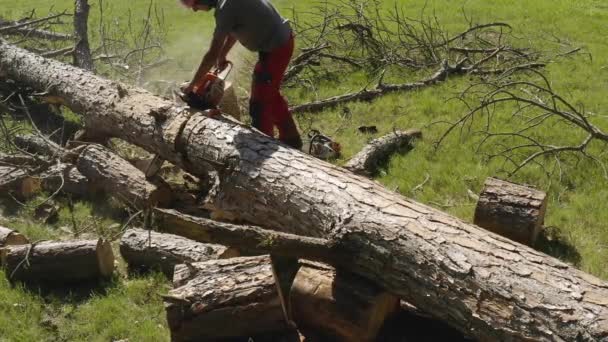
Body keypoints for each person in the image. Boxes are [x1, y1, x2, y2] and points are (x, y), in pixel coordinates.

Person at [180, 0, 303, 149]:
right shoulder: (227, 4)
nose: (194, 10)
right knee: (270, 94)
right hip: (279, 41)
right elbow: (234, 31)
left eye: (194, 5)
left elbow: (211, 54)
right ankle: (292, 140)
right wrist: (223, 54)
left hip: (276, 46)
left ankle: (263, 149)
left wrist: (192, 85)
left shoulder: (225, 9)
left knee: (259, 103)